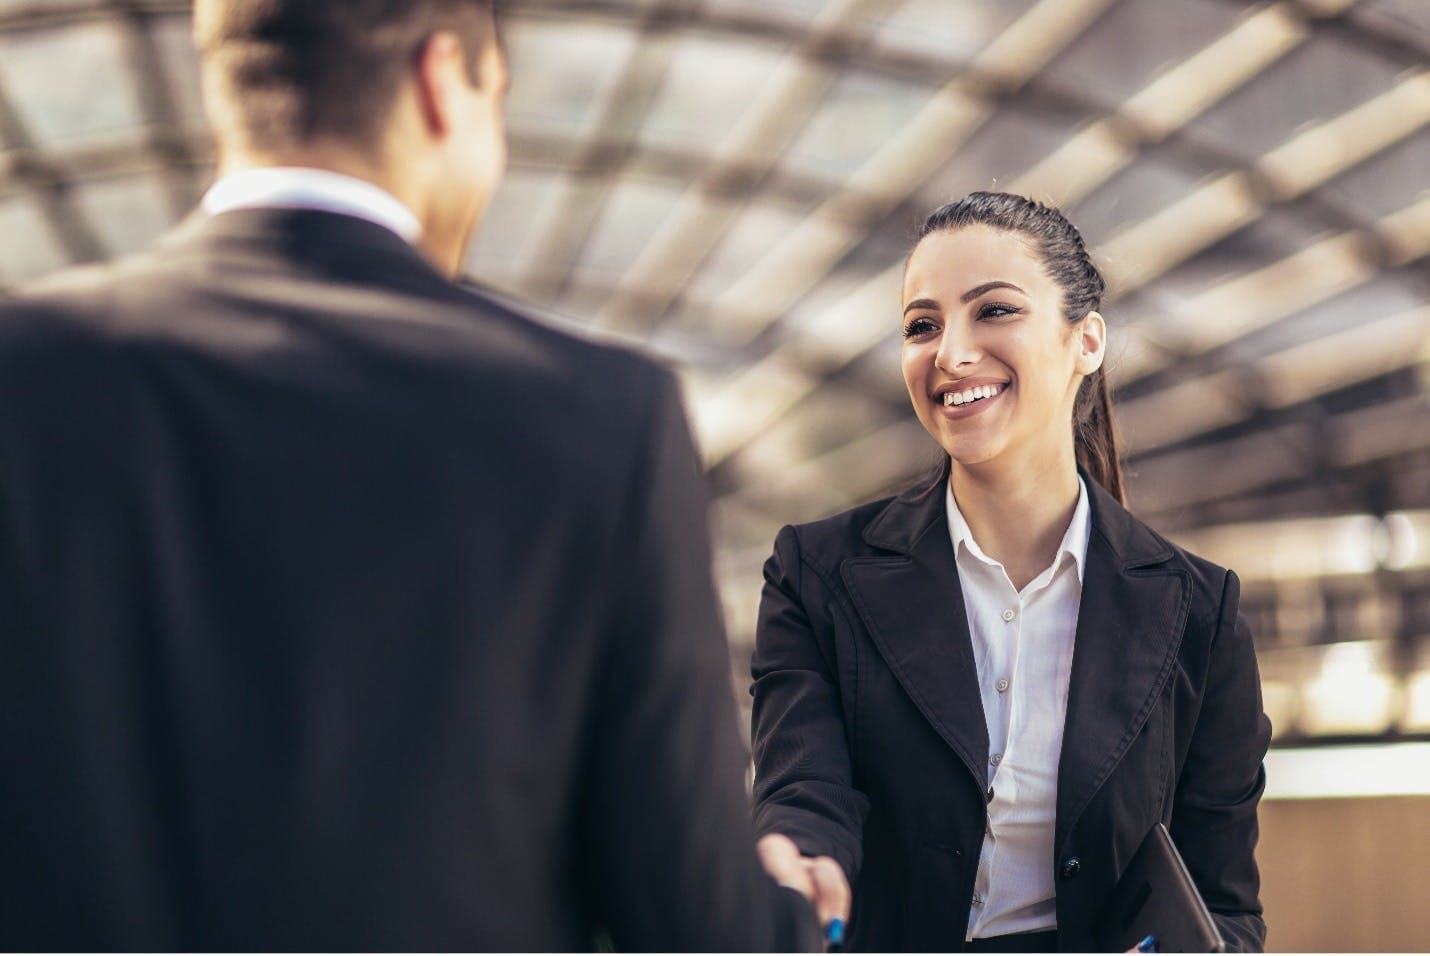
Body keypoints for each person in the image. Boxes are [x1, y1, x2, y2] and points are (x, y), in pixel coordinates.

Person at [0, 0, 828, 949]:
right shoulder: (598, 421)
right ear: (444, 80)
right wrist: (796, 906)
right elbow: (695, 925)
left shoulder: (21, 376)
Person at [750, 192, 1273, 952]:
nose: (950, 354)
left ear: (1086, 341)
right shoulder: (817, 574)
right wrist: (797, 862)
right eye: (921, 325)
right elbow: (805, 790)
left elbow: (1223, 904)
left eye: (993, 311)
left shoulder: (1199, 611)